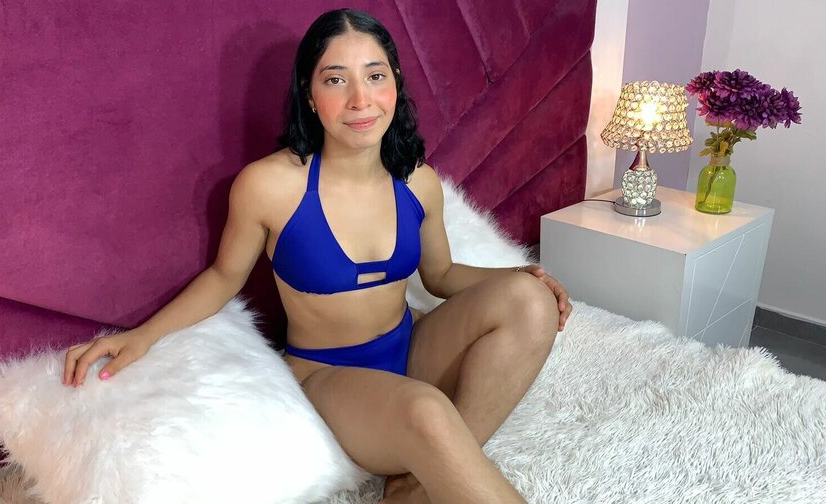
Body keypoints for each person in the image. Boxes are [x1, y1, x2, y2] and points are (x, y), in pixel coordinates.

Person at [63, 8, 572, 504]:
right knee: (427, 411)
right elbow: (223, 277)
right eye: (335, 80)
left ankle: (417, 486)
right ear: (309, 94)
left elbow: (440, 274)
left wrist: (521, 274)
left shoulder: (417, 181)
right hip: (328, 374)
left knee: (530, 301)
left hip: (412, 346)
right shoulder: (269, 186)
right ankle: (432, 464)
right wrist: (140, 337)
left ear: (395, 82)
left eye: (375, 75)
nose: (360, 99)